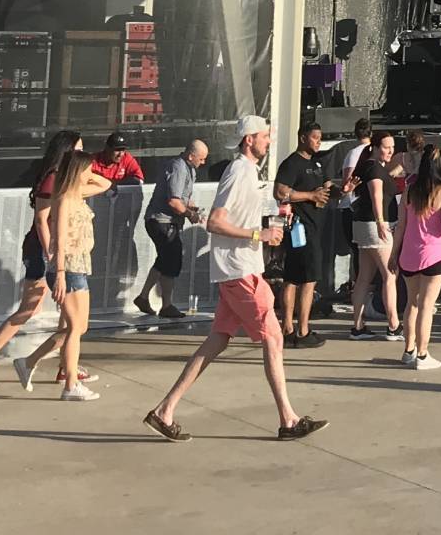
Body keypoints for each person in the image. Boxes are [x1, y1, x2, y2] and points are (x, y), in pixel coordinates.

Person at [146, 116, 325, 442]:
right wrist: (259, 233)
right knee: (274, 337)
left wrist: (271, 219)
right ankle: (288, 419)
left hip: (238, 269)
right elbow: (215, 222)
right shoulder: (239, 171)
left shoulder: (245, 172)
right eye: (265, 137)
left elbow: (238, 218)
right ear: (248, 140)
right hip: (239, 271)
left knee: (218, 339)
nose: (269, 142)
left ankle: (164, 410)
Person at [0, 131, 81, 390]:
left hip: (49, 251)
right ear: (66, 152)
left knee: (68, 310)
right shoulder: (51, 178)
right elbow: (42, 219)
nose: (81, 156)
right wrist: (52, 253)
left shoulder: (63, 178)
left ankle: (67, 366)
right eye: (78, 150)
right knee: (31, 308)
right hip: (41, 252)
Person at [28, 150, 106, 400]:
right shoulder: (63, 199)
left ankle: (29, 361)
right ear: (76, 172)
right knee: (74, 328)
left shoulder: (78, 194)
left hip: (80, 265)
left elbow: (106, 183)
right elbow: (59, 240)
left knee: (80, 326)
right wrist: (59, 272)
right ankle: (70, 384)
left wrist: (89, 172)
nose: (90, 174)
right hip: (67, 267)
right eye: (86, 170)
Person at [396, 144, 441, 370]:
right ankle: (423, 354)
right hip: (433, 254)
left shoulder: (409, 191)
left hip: (409, 254)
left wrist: (394, 254)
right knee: (426, 305)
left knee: (411, 303)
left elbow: (401, 226)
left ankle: (409, 350)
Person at [271, 120, 333, 346]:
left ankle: (291, 329)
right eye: (315, 137)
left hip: (315, 228)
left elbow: (326, 189)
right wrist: (309, 196)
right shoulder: (292, 163)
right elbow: (280, 192)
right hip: (299, 228)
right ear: (303, 138)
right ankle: (298, 330)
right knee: (303, 279)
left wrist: (343, 189)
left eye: (320, 137)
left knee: (299, 278)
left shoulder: (317, 164)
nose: (319, 141)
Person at [135, 138, 206, 319]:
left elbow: (183, 198)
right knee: (171, 259)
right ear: (191, 156)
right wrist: (191, 215)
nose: (203, 162)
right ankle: (166, 305)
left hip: (168, 221)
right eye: (201, 158)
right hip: (162, 220)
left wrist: (192, 208)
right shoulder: (178, 168)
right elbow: (174, 201)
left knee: (165, 259)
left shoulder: (189, 169)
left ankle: (143, 297)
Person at [343, 126, 402, 343]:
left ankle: (357, 326)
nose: (390, 151)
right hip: (376, 225)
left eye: (392, 147)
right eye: (386, 148)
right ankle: (394, 324)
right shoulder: (375, 169)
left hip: (362, 225)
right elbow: (377, 196)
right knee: (389, 275)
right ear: (376, 148)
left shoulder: (370, 166)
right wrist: (380, 223)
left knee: (364, 278)